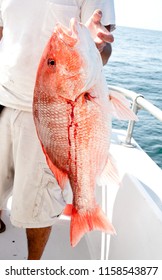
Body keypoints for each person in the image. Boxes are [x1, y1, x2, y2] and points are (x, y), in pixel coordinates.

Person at [0, 0, 115, 259]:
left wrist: (98, 44)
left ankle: (32, 267)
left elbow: (104, 48)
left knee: (36, 204)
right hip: (2, 95)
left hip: (50, 111)